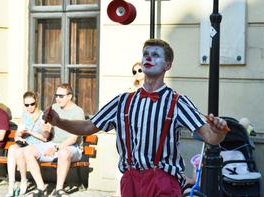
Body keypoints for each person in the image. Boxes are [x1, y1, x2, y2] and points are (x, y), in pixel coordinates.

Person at [42, 39, 229, 197]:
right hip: (130, 180)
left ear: (168, 65)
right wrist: (58, 122)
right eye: (146, 54)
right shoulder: (123, 101)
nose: (148, 57)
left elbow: (211, 137)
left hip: (162, 180)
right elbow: (89, 127)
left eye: (155, 55)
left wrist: (219, 132)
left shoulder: (177, 102)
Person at [24, 84, 85, 197]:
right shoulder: (54, 108)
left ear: (70, 96)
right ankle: (41, 189)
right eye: (56, 95)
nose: (58, 98)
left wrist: (56, 148)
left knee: (63, 152)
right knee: (28, 151)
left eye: (61, 96)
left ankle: (59, 190)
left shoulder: (78, 112)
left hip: (72, 148)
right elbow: (46, 134)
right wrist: (45, 130)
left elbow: (73, 138)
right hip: (53, 144)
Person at [6, 91, 52, 197]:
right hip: (26, 143)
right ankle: (11, 185)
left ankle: (23, 180)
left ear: (36, 102)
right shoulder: (24, 116)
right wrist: (18, 137)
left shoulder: (43, 116)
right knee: (12, 148)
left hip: (38, 146)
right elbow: (17, 134)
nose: (30, 107)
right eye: (26, 105)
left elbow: (45, 139)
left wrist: (30, 132)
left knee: (20, 151)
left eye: (32, 104)